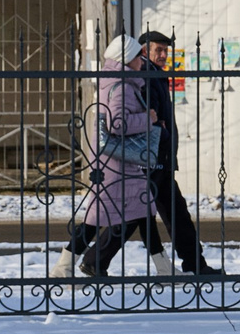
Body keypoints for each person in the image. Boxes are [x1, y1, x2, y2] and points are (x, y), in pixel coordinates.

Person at [128, 29, 226, 277]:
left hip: (160, 157)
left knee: (175, 213)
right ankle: (94, 259)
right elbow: (149, 117)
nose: (163, 55)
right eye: (158, 50)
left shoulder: (157, 74)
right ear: (144, 51)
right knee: (135, 215)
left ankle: (195, 264)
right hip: (152, 158)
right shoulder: (146, 75)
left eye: (165, 51)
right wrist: (162, 136)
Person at [72, 34, 157, 278]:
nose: (143, 60)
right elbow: (117, 124)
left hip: (116, 160)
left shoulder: (120, 81)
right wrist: (147, 120)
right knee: (128, 210)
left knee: (128, 209)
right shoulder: (121, 85)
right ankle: (87, 261)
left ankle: (90, 261)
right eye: (139, 56)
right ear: (128, 59)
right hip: (118, 161)